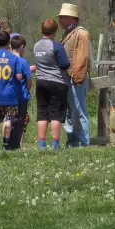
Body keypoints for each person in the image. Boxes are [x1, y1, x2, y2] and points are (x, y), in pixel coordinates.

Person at [33, 18, 70, 150]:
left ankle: (41, 143)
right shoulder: (56, 45)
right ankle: (55, 144)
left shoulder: (36, 46)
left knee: (42, 113)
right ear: (55, 31)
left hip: (41, 81)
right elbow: (65, 64)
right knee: (55, 113)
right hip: (57, 81)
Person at [59, 3, 92, 148]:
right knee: (69, 113)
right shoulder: (67, 33)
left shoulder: (81, 33)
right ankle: (72, 141)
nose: (60, 20)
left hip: (76, 78)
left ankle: (84, 142)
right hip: (68, 78)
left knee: (78, 111)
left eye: (63, 17)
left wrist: (77, 77)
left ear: (71, 18)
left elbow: (82, 57)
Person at [0, 30, 24, 150]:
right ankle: (6, 144)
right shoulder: (14, 58)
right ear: (9, 41)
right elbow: (19, 77)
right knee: (8, 119)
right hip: (10, 94)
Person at [8, 34, 32, 149]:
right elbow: (29, 80)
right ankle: (16, 144)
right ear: (21, 46)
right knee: (20, 120)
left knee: (9, 120)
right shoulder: (23, 62)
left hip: (8, 95)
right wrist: (27, 89)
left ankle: (7, 142)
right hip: (21, 96)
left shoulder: (8, 60)